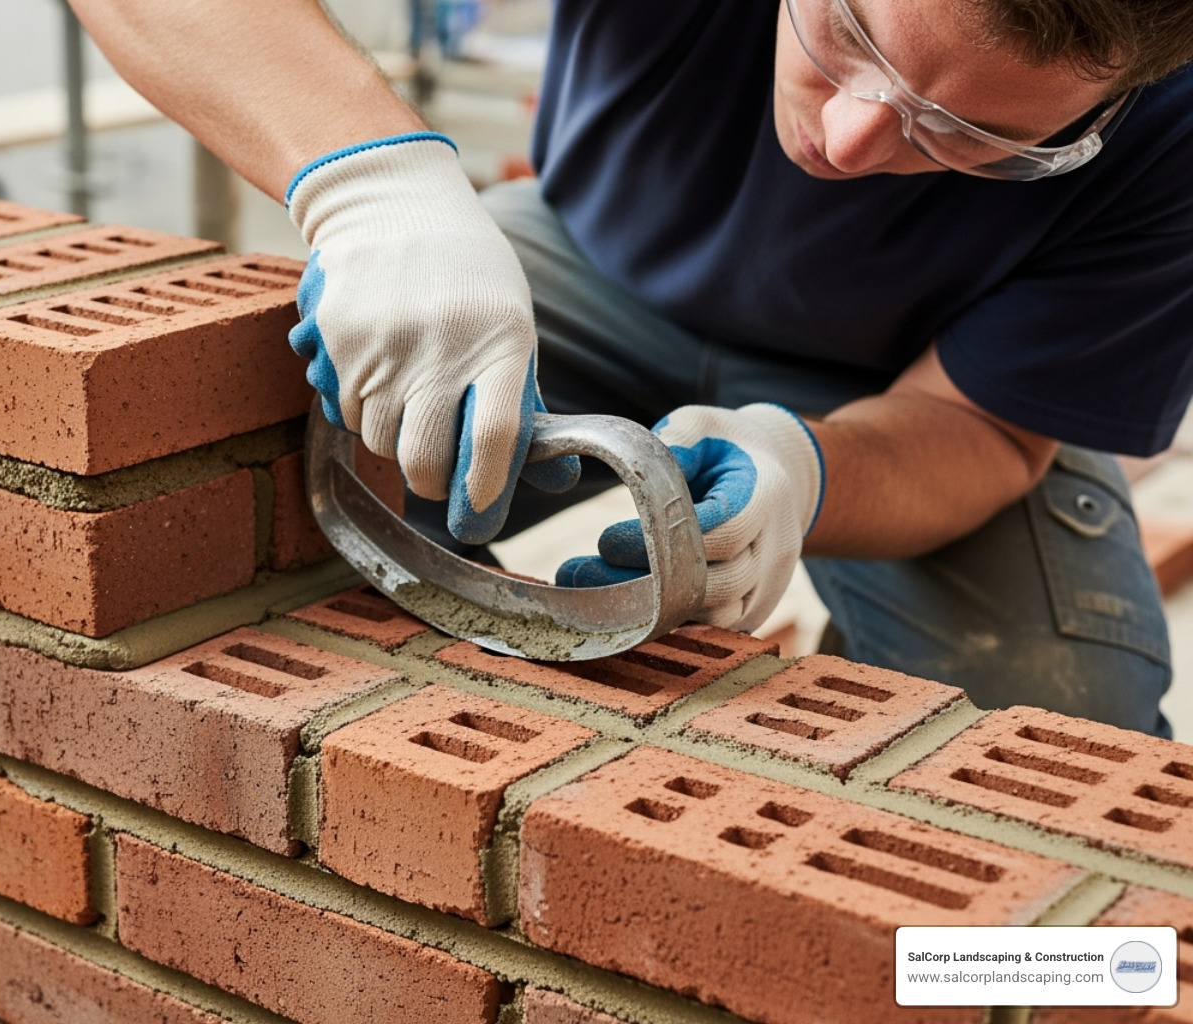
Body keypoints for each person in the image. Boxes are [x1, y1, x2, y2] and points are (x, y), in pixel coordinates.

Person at [70, 0, 1193, 737]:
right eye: (846, 33)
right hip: (580, 267)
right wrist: (370, 185)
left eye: (968, 132)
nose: (849, 146)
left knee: (1064, 726)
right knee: (308, 451)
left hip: (919, 388)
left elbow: (991, 429)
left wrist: (809, 476)